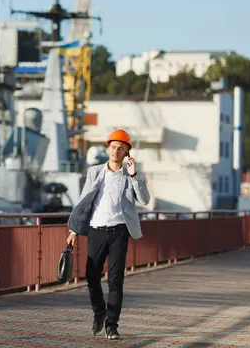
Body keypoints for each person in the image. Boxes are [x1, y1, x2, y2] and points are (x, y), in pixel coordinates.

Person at [66, 129, 150, 340]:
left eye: (121, 148)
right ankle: (99, 313)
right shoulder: (95, 172)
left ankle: (112, 326)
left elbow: (144, 199)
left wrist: (134, 176)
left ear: (126, 153)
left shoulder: (130, 176)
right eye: (113, 147)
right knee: (92, 276)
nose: (116, 151)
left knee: (115, 280)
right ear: (108, 148)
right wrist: (74, 229)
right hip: (96, 230)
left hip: (119, 232)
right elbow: (84, 201)